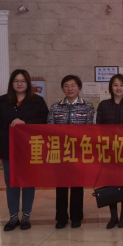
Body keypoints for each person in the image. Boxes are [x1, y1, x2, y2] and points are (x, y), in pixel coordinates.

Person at [0, 69, 49, 231]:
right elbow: (0, 122)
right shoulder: (2, 101)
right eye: (16, 81)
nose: (19, 84)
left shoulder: (37, 101)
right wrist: (13, 123)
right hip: (9, 148)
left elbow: (43, 120)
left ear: (28, 83)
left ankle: (26, 216)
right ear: (11, 83)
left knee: (28, 182)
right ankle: (13, 217)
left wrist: (25, 123)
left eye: (23, 81)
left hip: (30, 148)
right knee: (11, 182)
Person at [47, 75, 94, 229]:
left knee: (77, 186)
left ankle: (76, 217)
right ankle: (61, 218)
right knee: (61, 186)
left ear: (79, 88)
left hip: (78, 153)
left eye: (73, 86)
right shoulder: (55, 107)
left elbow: (90, 129)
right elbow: (50, 128)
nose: (70, 89)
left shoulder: (87, 107)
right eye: (66, 86)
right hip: (60, 153)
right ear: (63, 89)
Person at [96, 74, 123, 229]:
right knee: (110, 182)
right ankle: (113, 216)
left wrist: (122, 141)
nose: (118, 88)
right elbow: (97, 126)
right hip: (107, 150)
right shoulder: (103, 105)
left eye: (121, 85)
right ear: (111, 87)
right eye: (115, 85)